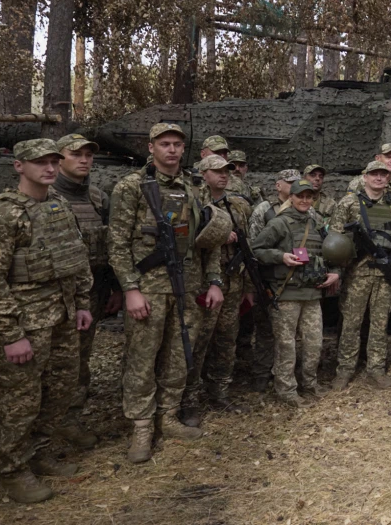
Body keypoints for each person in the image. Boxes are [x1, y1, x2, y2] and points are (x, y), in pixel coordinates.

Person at [0, 138, 94, 503]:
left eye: (54, 161)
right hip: (26, 325)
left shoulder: (58, 205)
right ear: (19, 166)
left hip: (63, 317)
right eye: (40, 162)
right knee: (19, 400)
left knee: (59, 390)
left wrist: (83, 304)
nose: (50, 168)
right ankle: (12, 469)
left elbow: (76, 259)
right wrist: (10, 334)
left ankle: (38, 452)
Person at [108, 123, 224, 463]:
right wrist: (130, 288)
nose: (171, 150)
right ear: (152, 147)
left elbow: (209, 240)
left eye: (176, 144)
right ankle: (142, 427)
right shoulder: (132, 187)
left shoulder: (193, 187)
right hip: (148, 288)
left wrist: (214, 280)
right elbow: (116, 244)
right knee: (142, 359)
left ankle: (168, 417)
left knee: (178, 355)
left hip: (186, 287)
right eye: (164, 144)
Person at [52, 134, 120, 433]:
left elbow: (111, 245)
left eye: (88, 155)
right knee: (52, 363)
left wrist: (115, 288)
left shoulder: (97, 198)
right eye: (75, 154)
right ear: (59, 158)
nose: (84, 160)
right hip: (54, 295)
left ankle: (69, 419)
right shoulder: (47, 196)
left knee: (80, 358)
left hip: (91, 292)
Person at [252, 179, 340, 406]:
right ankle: (286, 390)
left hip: (312, 294)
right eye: (300, 196)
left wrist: (335, 272)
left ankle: (310, 384)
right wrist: (280, 257)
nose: (305, 200)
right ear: (291, 197)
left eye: (309, 197)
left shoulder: (317, 223)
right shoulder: (279, 224)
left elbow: (330, 251)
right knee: (286, 345)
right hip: (287, 294)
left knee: (314, 343)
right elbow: (257, 249)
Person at [181, 155, 253, 426]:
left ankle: (219, 392)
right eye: (217, 171)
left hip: (233, 283)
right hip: (204, 285)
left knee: (226, 340)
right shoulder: (195, 203)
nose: (224, 175)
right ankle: (189, 400)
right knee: (198, 343)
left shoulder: (238, 205)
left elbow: (247, 249)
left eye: (227, 171)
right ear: (203, 173)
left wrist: (247, 288)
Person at [330, 161, 391, 390]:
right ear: (365, 177)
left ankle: (376, 368)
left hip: (385, 276)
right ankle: (345, 370)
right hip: (357, 274)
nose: (378, 178)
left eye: (383, 174)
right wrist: (336, 271)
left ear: (388, 179)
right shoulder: (349, 203)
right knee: (352, 323)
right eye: (374, 174)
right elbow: (334, 239)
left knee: (379, 324)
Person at [237, 169, 298, 390]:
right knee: (265, 329)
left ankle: (285, 373)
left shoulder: (302, 209)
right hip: (267, 278)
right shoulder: (264, 209)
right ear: (278, 185)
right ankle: (262, 373)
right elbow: (254, 246)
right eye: (289, 183)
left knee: (290, 332)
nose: (294, 187)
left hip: (292, 281)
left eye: (297, 183)